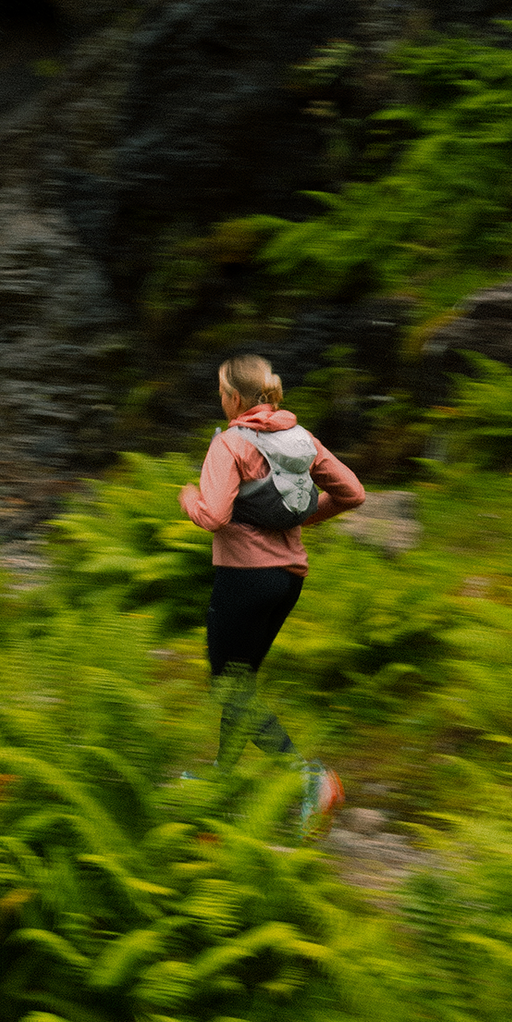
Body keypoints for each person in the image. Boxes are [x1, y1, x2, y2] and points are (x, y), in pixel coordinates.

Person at [178, 352, 366, 832]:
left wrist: (189, 501)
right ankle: (223, 775)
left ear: (235, 398)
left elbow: (215, 517)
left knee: (228, 684)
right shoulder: (301, 439)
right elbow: (353, 493)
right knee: (240, 682)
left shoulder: (230, 445)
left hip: (244, 577)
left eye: (221, 391)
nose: (219, 399)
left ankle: (311, 778)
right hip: (288, 581)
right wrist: (306, 517)